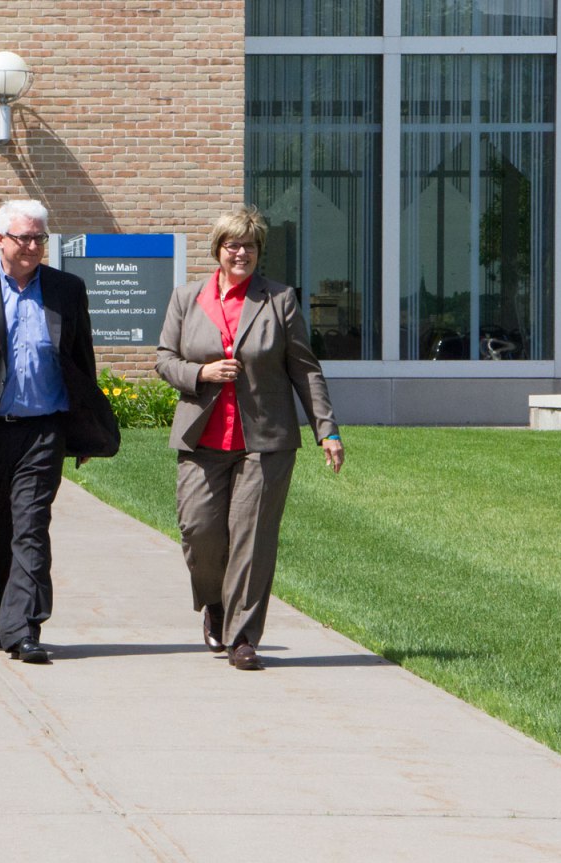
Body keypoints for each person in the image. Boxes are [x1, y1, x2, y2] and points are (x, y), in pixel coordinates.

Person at [0, 199, 118, 663]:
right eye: (23, 238)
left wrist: (83, 430)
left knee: (31, 526)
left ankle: (24, 627)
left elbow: (81, 364)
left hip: (43, 431)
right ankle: (2, 613)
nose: (32, 246)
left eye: (39, 238)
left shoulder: (67, 290)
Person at [156, 205, 344, 671]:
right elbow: (164, 359)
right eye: (232, 245)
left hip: (265, 441)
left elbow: (305, 367)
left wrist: (327, 429)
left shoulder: (279, 300)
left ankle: (243, 637)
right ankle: (215, 606)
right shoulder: (187, 298)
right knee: (200, 534)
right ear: (218, 250)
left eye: (250, 246)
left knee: (252, 540)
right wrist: (201, 371)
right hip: (202, 440)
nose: (241, 253)